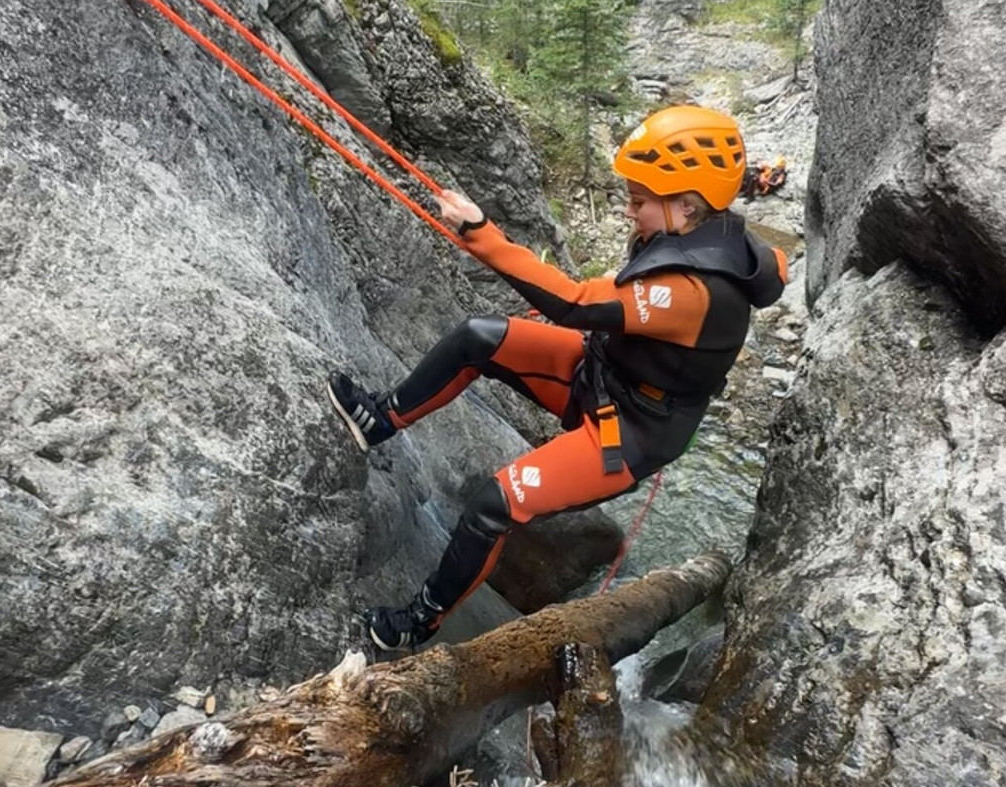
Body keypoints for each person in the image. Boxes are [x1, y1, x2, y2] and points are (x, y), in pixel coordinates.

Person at [327, 106, 788, 651]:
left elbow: (575, 303)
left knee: (495, 503)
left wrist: (479, 233)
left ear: (687, 205)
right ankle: (380, 419)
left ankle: (420, 620)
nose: (628, 210)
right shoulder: (692, 233)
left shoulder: (694, 292)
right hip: (601, 374)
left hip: (631, 432)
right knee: (479, 337)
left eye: (639, 200)